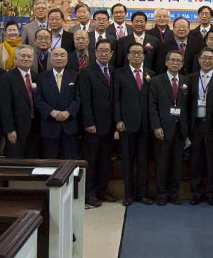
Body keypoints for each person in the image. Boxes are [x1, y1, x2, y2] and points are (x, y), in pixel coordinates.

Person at [113, 42, 155, 206]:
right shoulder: (119, 74)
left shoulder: (151, 74)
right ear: (128, 55)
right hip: (126, 124)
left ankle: (143, 194)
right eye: (133, 52)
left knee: (143, 161)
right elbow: (116, 99)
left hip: (145, 125)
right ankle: (129, 195)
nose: (136, 55)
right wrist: (118, 119)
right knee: (128, 161)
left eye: (140, 52)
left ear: (144, 56)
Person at [79, 39, 117, 207]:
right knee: (91, 161)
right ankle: (89, 193)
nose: (103, 53)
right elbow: (85, 100)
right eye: (100, 50)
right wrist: (89, 123)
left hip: (110, 125)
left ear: (111, 54)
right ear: (95, 52)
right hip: (93, 126)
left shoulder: (114, 71)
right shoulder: (87, 72)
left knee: (105, 160)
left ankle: (102, 191)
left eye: (106, 51)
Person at [149, 50, 190, 206]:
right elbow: (152, 105)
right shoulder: (156, 81)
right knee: (162, 163)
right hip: (163, 129)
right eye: (172, 60)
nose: (175, 63)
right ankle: (161, 194)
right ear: (166, 62)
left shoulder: (186, 81)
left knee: (177, 164)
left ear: (182, 64)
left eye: (179, 60)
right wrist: (156, 126)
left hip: (180, 129)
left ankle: (174, 193)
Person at [188, 47, 213, 206]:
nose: (207, 61)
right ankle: (196, 192)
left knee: (212, 161)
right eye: (204, 57)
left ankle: (212, 193)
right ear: (198, 60)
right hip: (195, 125)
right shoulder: (190, 78)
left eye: (210, 58)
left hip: (212, 125)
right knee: (195, 160)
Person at [33, 47, 80, 159]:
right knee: (50, 161)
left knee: (70, 161)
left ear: (67, 58)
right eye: (56, 55)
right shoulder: (41, 77)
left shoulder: (75, 76)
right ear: (50, 58)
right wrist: (51, 112)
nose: (59, 58)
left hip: (69, 126)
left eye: (62, 55)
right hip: (49, 126)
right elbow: (38, 99)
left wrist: (68, 112)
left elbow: (78, 97)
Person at [0, 44, 40, 158]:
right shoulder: (7, 78)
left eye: (29, 56)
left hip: (35, 128)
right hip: (16, 129)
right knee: (15, 161)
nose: (26, 59)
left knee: (32, 160)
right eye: (23, 56)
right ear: (16, 59)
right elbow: (4, 106)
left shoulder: (36, 77)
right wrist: (9, 129)